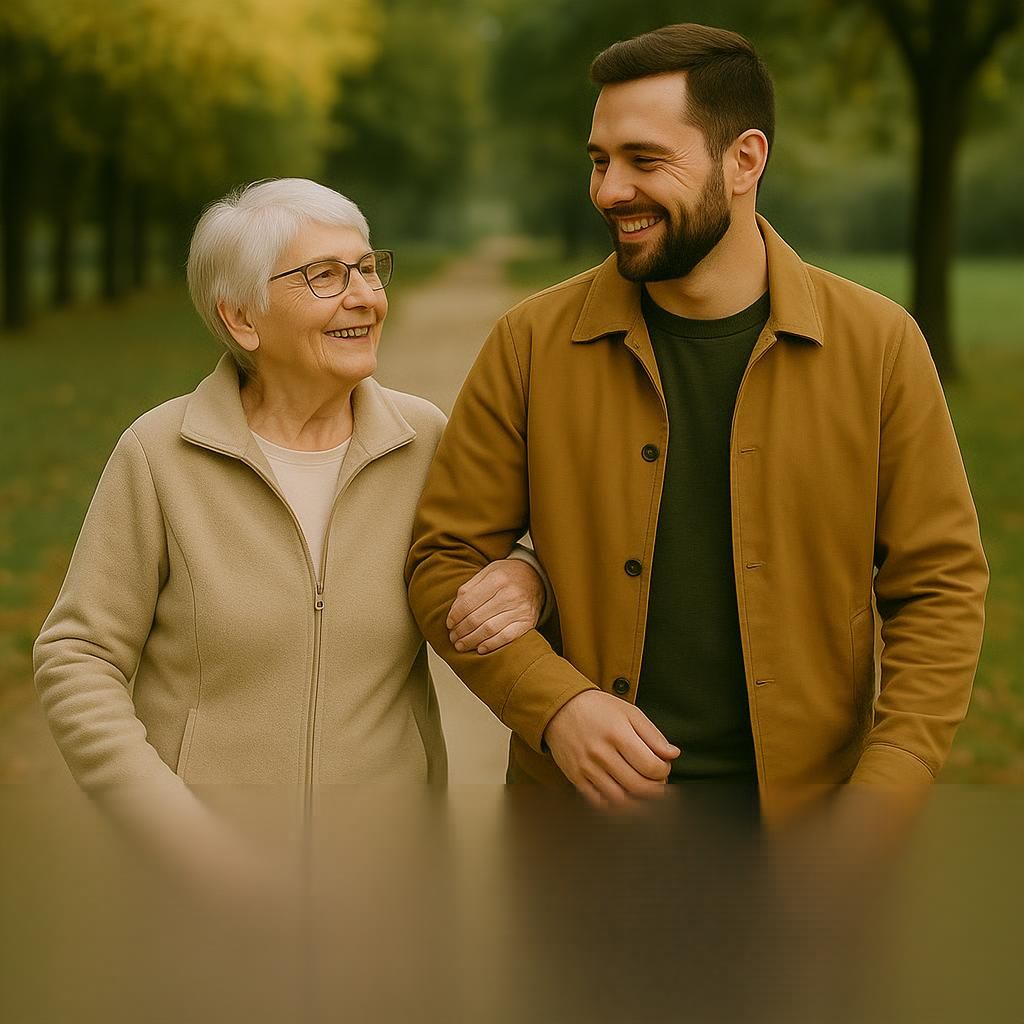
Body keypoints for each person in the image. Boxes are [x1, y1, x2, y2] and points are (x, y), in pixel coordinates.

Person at [407, 24, 988, 810]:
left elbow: (940, 587)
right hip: (576, 837)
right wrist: (555, 707)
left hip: (810, 837)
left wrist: (884, 794)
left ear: (744, 160)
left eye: (645, 161)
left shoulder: (880, 346)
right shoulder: (531, 343)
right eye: (600, 161)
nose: (610, 190)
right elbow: (443, 560)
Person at [34, 177, 546, 795]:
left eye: (366, 268)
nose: (364, 297)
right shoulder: (158, 453)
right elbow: (78, 656)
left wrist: (529, 570)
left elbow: (522, 547)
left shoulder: (425, 438)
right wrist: (164, 822)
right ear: (243, 317)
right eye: (325, 276)